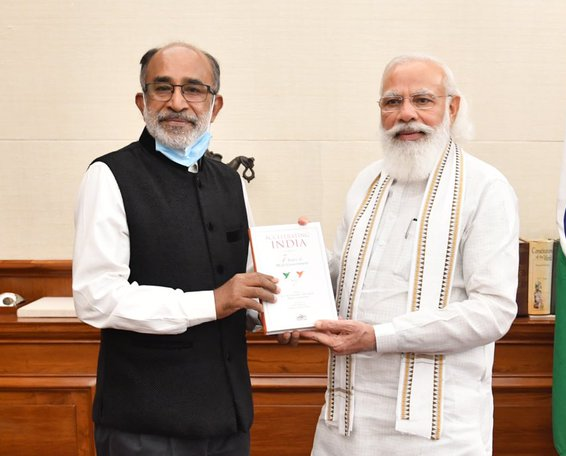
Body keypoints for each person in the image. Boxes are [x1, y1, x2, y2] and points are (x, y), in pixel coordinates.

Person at [286, 54, 519, 455]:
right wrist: (300, 267)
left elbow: (493, 311)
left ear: (452, 107)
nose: (406, 114)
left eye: (422, 100)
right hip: (345, 424)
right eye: (392, 102)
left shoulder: (485, 188)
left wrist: (380, 337)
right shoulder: (366, 181)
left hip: (438, 433)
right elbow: (349, 279)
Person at [72, 42, 279, 456]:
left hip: (229, 418)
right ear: (142, 100)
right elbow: (96, 298)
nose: (178, 102)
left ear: (215, 104)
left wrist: (270, 314)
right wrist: (212, 302)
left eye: (194, 89)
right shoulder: (109, 175)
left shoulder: (231, 182)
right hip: (144, 425)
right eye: (162, 88)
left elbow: (241, 284)